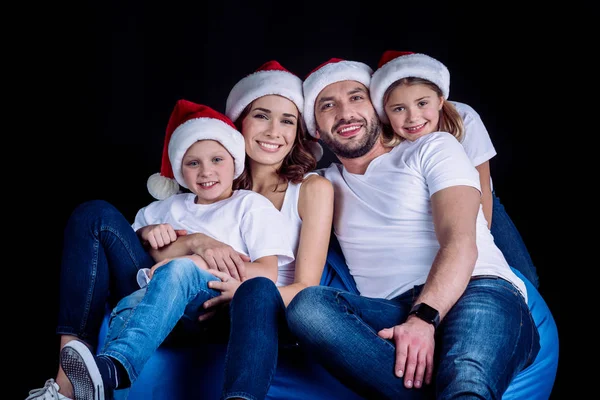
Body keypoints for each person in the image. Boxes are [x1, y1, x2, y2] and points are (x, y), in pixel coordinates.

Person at [286, 58, 540, 399]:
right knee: (308, 307)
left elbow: (460, 242)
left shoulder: (432, 148)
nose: (345, 113)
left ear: (378, 109)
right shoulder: (321, 186)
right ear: (315, 128)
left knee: (465, 380)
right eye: (327, 105)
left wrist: (423, 320)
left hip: (476, 289)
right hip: (391, 312)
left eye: (356, 97)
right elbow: (244, 196)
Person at [57, 100, 296, 400]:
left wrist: (195, 261)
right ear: (180, 170)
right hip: (145, 295)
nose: (206, 171)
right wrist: (146, 233)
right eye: (193, 163)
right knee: (92, 214)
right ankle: (68, 379)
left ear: (234, 162)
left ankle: (114, 369)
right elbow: (119, 251)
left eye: (217, 160)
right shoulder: (163, 209)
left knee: (181, 268)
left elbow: (267, 272)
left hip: (205, 308)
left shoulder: (249, 206)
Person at [147, 60, 334, 400]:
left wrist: (244, 293)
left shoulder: (312, 189)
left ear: (297, 133)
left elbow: (307, 287)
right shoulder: (212, 179)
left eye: (287, 121)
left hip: (267, 309)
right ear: (240, 123)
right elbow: (159, 246)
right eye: (261, 116)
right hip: (201, 297)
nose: (273, 131)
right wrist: (199, 242)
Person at [370, 50, 539, 288]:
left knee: (526, 275)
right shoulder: (388, 139)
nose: (412, 117)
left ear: (440, 100)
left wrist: (477, 246)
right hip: (422, 206)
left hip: (478, 202)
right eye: (399, 108)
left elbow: (482, 189)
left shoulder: (465, 118)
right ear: (385, 114)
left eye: (422, 103)